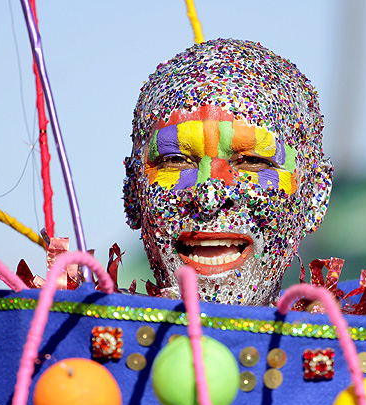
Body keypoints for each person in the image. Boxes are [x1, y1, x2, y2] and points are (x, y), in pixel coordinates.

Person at [123, 39, 332, 306]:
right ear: (133, 193)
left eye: (253, 162)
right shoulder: (78, 327)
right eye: (176, 160)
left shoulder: (354, 332)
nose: (209, 198)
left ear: (315, 196)